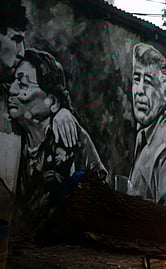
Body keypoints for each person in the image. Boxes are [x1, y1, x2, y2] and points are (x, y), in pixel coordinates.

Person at [8, 48, 107, 230]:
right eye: (13, 81)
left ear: (52, 102)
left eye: (22, 84)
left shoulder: (68, 136)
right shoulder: (14, 134)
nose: (12, 90)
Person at [0, 0, 77, 222]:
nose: (21, 51)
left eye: (22, 84)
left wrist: (63, 111)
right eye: (15, 39)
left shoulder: (11, 96)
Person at [126, 43, 166, 209]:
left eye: (149, 81)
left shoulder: (165, 144)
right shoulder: (147, 131)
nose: (139, 90)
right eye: (137, 79)